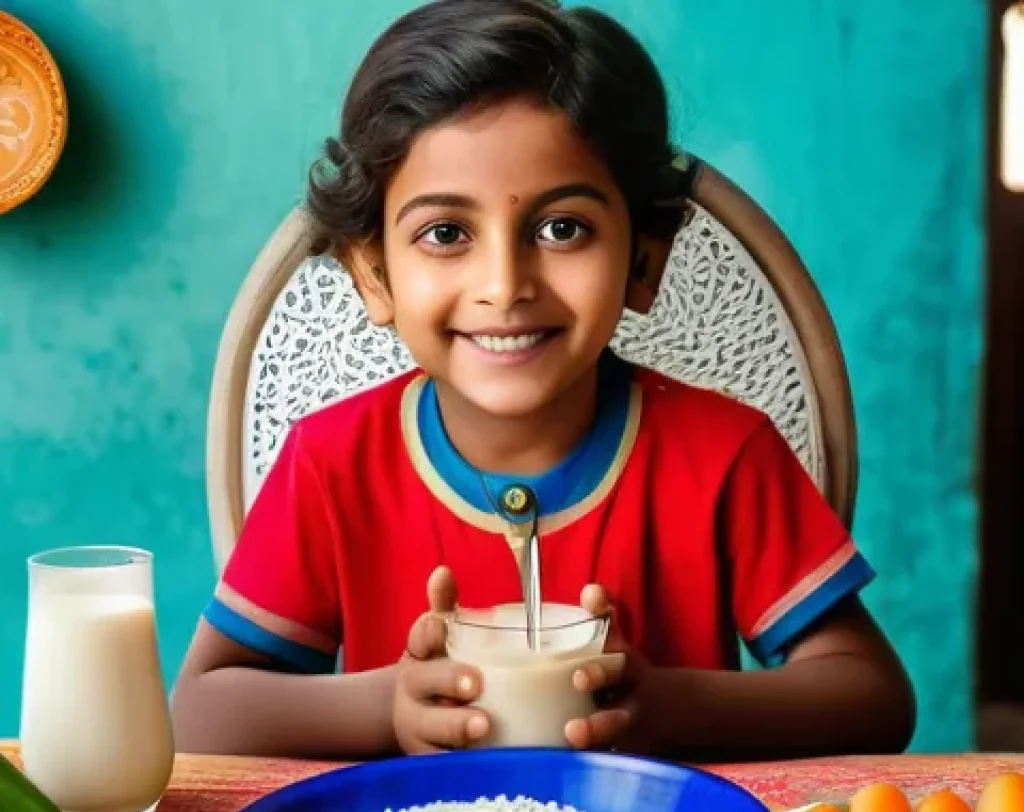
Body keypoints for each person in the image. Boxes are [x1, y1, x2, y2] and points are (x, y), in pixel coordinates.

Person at [171, 0, 915, 762]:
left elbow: (872, 697)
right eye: (446, 234)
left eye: (563, 229)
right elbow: (200, 712)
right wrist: (386, 702)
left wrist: (670, 704)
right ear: (373, 272)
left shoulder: (725, 454)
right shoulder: (331, 465)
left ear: (644, 259)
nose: (505, 284)